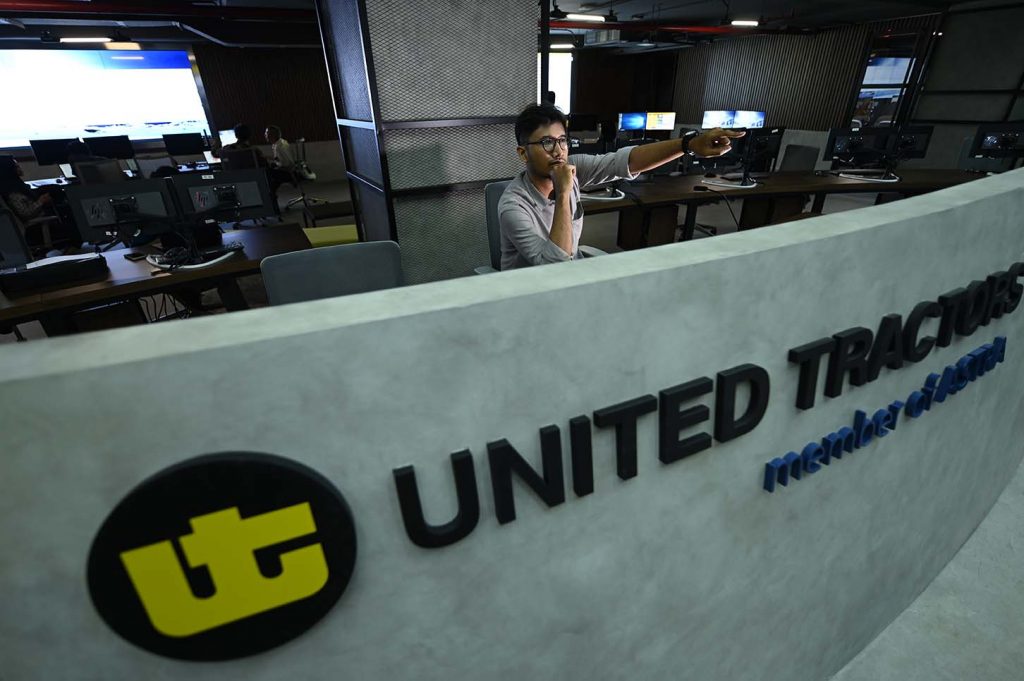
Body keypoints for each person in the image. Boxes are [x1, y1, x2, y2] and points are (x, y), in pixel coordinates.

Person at [498, 104, 744, 270]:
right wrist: (563, 194)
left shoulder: (573, 167)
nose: (558, 151)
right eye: (546, 142)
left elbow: (625, 161)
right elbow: (554, 268)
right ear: (523, 153)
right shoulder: (513, 206)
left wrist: (688, 145)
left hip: (572, 280)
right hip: (532, 295)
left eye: (562, 141)